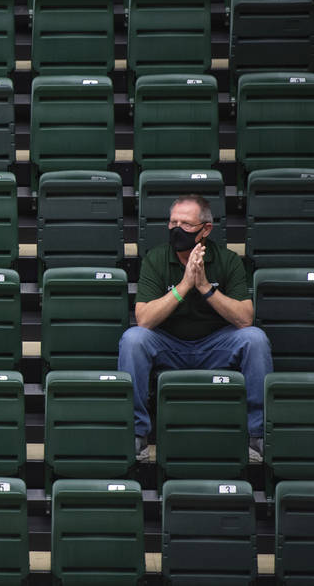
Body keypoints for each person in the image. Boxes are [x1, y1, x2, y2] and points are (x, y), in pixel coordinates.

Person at [117, 194, 272, 462]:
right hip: (169, 344)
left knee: (255, 339)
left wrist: (204, 288)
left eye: (186, 224)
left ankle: (257, 436)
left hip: (215, 345)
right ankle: (136, 435)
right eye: (173, 222)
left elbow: (245, 318)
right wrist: (185, 285)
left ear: (206, 229)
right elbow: (144, 319)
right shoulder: (155, 259)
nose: (178, 229)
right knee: (133, 339)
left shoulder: (227, 260)